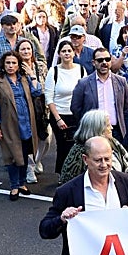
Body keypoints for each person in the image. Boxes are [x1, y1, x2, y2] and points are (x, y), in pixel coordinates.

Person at [0, 50, 43, 200]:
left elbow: (37, 92)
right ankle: (14, 185)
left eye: (14, 63)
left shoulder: (25, 79)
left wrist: (32, 75)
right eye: (8, 62)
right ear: (3, 64)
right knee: (11, 155)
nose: (11, 65)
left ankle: (22, 183)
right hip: (9, 123)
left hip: (26, 122)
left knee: (25, 152)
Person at [72, 46, 128, 146]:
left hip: (116, 132)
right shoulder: (83, 84)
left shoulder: (121, 81)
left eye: (107, 59)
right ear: (93, 62)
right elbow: (76, 108)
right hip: (93, 133)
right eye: (100, 60)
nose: (104, 63)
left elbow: (127, 106)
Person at [59, 109, 128, 186]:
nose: (111, 128)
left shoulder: (114, 143)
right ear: (98, 129)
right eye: (108, 125)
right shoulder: (79, 154)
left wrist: (125, 182)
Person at [45, 39, 88, 173]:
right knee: (63, 146)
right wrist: (58, 119)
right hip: (59, 114)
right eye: (64, 51)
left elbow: (85, 94)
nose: (67, 53)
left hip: (76, 115)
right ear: (59, 54)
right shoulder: (54, 71)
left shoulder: (81, 70)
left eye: (69, 51)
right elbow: (49, 98)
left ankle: (76, 173)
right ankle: (62, 174)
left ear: (74, 53)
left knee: (78, 146)